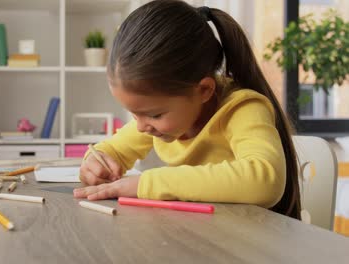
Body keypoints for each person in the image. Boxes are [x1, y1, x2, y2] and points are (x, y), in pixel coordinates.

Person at [73, 0, 301, 220]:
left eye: (154, 115)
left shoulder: (242, 109)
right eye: (134, 113)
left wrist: (148, 184)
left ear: (204, 90)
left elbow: (266, 180)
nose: (141, 127)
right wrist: (96, 162)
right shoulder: (163, 114)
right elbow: (114, 150)